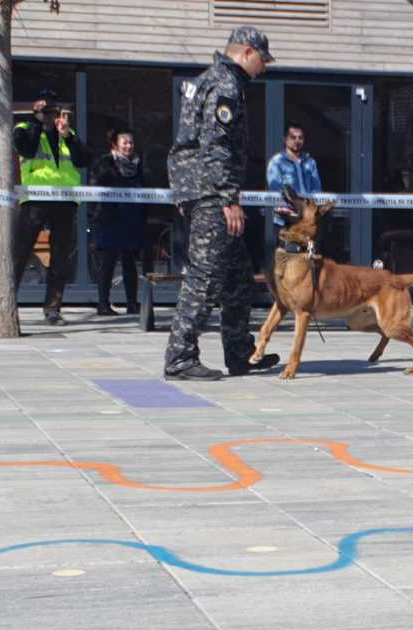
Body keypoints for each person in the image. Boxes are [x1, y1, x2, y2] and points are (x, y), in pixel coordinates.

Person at [163, 26, 280, 381]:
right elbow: (217, 145)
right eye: (262, 60)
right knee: (204, 277)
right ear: (246, 53)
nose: (263, 69)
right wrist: (229, 197)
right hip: (211, 193)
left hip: (202, 189)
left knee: (238, 276)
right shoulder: (225, 85)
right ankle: (180, 357)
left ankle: (240, 353)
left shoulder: (208, 80)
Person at [12, 89, 90, 326]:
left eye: (53, 111)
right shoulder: (24, 129)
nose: (50, 115)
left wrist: (68, 136)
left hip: (65, 201)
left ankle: (53, 308)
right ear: (36, 111)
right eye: (45, 111)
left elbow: (84, 159)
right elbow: (25, 149)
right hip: (35, 199)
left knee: (60, 257)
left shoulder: (67, 133)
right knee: (21, 253)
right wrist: (37, 123)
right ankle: (8, 302)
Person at [90, 128, 145, 316]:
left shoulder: (139, 164)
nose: (129, 146)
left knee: (130, 263)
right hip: (109, 218)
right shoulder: (105, 162)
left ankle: (132, 303)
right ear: (115, 144)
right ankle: (103, 304)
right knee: (108, 263)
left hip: (132, 219)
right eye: (125, 142)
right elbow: (96, 184)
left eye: (131, 142)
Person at [266, 122, 322, 226]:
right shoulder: (277, 162)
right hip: (287, 219)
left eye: (300, 138)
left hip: (308, 218)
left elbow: (317, 189)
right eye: (293, 137)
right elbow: (276, 190)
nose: (297, 141)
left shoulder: (310, 162)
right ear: (285, 139)